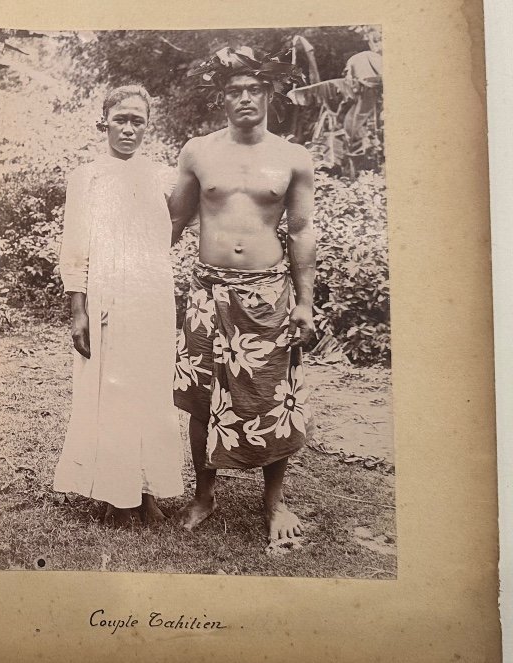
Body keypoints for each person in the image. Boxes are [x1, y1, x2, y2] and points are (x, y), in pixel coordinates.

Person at [170, 47, 317, 548]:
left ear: (269, 94)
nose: (245, 98)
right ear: (222, 98)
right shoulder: (198, 152)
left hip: (268, 293)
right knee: (199, 398)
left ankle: (273, 503)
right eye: (234, 91)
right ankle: (203, 495)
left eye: (254, 89)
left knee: (273, 397)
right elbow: (172, 222)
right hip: (206, 293)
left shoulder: (293, 157)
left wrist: (305, 302)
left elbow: (301, 232)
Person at [54, 85, 184, 528]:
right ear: (103, 122)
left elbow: (173, 228)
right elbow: (75, 245)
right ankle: (118, 494)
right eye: (120, 119)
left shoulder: (163, 177)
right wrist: (79, 309)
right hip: (107, 293)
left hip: (152, 294)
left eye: (137, 121)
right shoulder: (86, 176)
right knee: (114, 389)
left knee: (150, 388)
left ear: (148, 126)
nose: (128, 129)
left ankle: (148, 490)